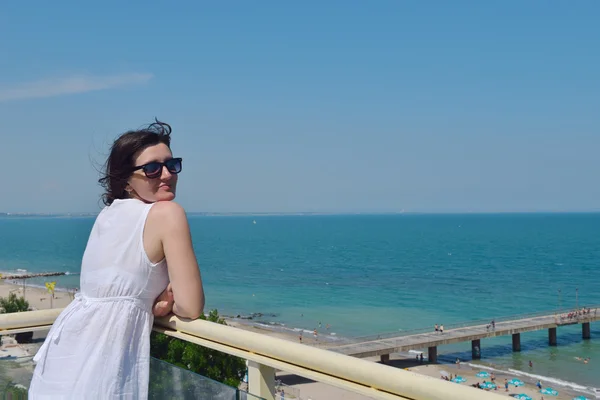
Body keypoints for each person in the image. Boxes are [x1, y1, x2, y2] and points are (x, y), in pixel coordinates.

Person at [29, 120, 205, 399]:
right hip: (101, 373)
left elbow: (121, 285)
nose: (166, 174)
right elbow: (191, 306)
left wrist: (154, 298)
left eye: (172, 165)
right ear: (125, 179)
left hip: (60, 364)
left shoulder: (108, 216)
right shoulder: (168, 214)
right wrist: (163, 298)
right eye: (151, 168)